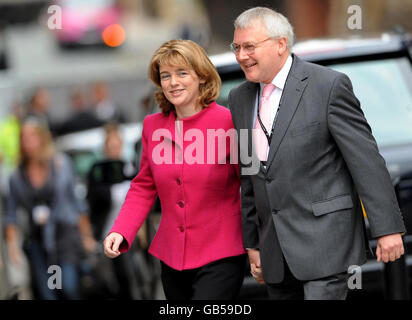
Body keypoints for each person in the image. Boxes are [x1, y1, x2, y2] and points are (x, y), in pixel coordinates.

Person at [228, 7, 406, 300]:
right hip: (275, 252)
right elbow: (250, 175)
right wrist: (253, 243)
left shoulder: (328, 86)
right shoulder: (239, 97)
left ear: (280, 43)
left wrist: (387, 229)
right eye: (237, 47)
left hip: (327, 244)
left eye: (249, 46)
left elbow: (365, 162)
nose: (241, 56)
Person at [104, 39, 246, 300]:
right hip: (172, 258)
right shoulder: (152, 126)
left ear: (201, 77)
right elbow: (144, 186)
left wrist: (259, 244)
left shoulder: (228, 121)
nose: (173, 82)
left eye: (182, 73)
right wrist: (120, 230)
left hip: (221, 253)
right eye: (166, 76)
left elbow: (251, 185)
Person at [4, 117, 96, 299]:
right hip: (39, 242)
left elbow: (77, 202)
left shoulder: (61, 164)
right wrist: (12, 248)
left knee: (67, 287)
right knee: (49, 293)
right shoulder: (16, 176)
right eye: (24, 138)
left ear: (41, 138)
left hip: (64, 236)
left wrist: (86, 235)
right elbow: (11, 214)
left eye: (32, 136)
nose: (27, 142)